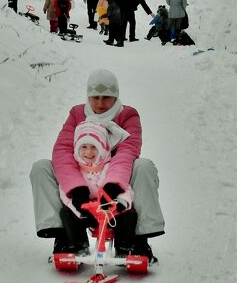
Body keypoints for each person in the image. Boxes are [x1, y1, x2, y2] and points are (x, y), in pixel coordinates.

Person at [29, 68, 165, 262]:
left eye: (106, 97)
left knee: (144, 166)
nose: (100, 103)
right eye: (95, 97)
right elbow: (63, 151)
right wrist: (76, 189)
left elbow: (127, 153)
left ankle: (138, 241)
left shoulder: (128, 115)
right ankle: (65, 238)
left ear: (116, 96)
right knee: (41, 167)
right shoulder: (77, 114)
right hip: (82, 179)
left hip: (117, 183)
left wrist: (112, 187)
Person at [58, 121, 137, 256]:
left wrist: (121, 202)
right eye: (84, 147)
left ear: (103, 147)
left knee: (129, 215)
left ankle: (124, 248)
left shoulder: (109, 167)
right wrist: (79, 208)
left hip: (110, 211)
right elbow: (65, 192)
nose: (89, 152)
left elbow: (126, 188)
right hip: (86, 213)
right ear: (77, 148)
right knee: (66, 213)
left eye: (94, 147)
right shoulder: (74, 170)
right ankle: (78, 247)